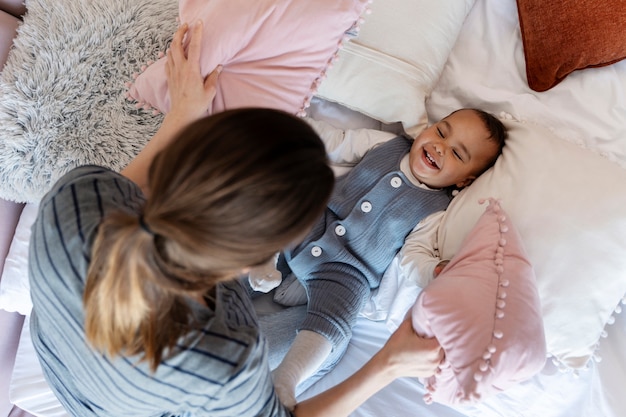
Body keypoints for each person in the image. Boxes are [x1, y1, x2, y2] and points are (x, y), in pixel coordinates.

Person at [27, 21, 444, 417]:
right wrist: (388, 364)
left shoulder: (74, 199)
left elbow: (130, 187)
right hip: (122, 402)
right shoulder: (229, 357)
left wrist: (180, 114)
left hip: (64, 353)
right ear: (261, 258)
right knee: (328, 330)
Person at [253, 105, 507, 408]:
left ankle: (285, 380)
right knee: (275, 207)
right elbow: (335, 141)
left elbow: (415, 255)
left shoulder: (437, 211)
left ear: (465, 180)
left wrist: (435, 272)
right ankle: (261, 259)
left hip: (347, 271)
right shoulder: (386, 145)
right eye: (441, 132)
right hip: (314, 218)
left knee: (336, 322)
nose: (440, 147)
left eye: (457, 154)